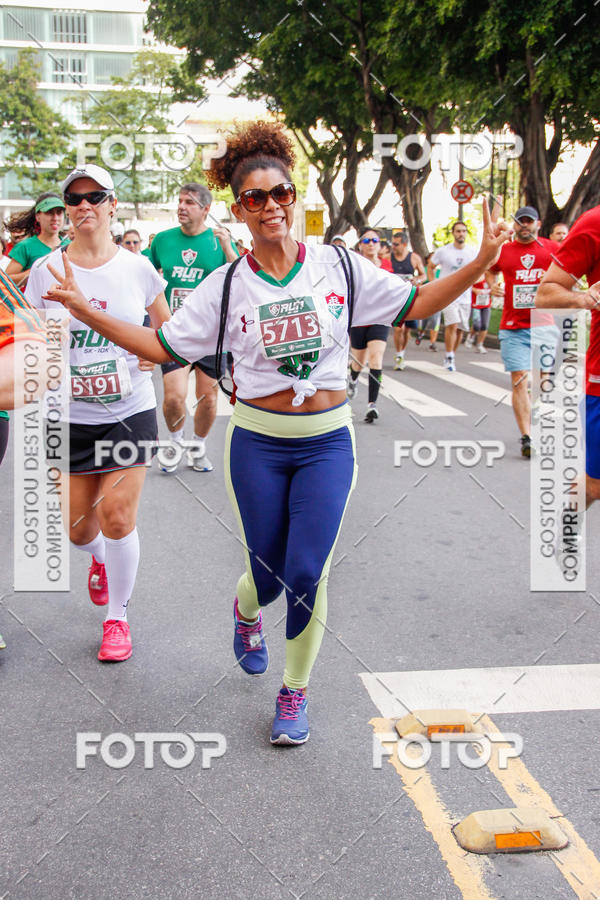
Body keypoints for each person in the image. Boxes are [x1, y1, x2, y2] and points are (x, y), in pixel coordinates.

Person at [43, 121, 510, 745]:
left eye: (281, 193)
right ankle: (245, 611)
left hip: (327, 442)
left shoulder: (339, 265)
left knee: (308, 569)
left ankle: (294, 692)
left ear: (294, 196)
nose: (270, 206)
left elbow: (416, 304)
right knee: (266, 575)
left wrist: (481, 261)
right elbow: (159, 346)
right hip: (259, 443)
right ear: (239, 208)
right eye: (256, 198)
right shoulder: (227, 284)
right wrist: (83, 311)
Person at [26, 163, 169, 663]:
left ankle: (117, 619)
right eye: (75, 198)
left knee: (116, 515)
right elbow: (28, 342)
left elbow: (166, 334)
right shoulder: (45, 271)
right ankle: (100, 562)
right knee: (79, 531)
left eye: (95, 197)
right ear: (65, 211)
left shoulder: (138, 268)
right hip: (66, 416)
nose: (84, 205)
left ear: (112, 204)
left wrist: (155, 353)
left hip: (129, 410)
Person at [148, 182, 238, 473]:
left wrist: (227, 247)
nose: (182, 207)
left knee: (208, 397)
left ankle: (197, 447)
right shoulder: (162, 240)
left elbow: (244, 276)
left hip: (212, 334)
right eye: (180, 201)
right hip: (176, 332)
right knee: (173, 396)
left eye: (189, 202)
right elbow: (144, 276)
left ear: (206, 209)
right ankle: (174, 444)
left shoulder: (219, 241)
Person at [537, 206, 600, 507]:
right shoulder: (594, 223)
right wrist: (586, 298)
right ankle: (564, 536)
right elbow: (546, 294)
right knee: (595, 486)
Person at [486, 206, 559, 458]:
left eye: (529, 222)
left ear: (538, 224)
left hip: (544, 324)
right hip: (513, 327)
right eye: (520, 222)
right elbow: (488, 267)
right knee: (519, 381)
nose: (524, 226)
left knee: (542, 382)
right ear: (514, 225)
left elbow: (570, 272)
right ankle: (527, 436)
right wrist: (493, 285)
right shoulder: (504, 251)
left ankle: (535, 409)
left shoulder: (551, 249)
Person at [347, 226, 393, 421]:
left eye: (375, 241)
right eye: (367, 241)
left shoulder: (388, 266)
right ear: (360, 245)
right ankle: (353, 380)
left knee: (376, 359)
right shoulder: (354, 264)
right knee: (358, 361)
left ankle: (371, 405)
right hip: (359, 318)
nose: (371, 244)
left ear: (380, 245)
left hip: (380, 318)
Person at [429, 222, 477, 372]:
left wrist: (477, 281)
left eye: (463, 231)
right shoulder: (444, 251)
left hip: (465, 295)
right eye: (458, 231)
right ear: (453, 233)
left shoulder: (472, 252)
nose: (460, 234)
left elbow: (482, 269)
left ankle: (451, 355)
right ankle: (449, 356)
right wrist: (434, 285)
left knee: (461, 329)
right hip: (448, 294)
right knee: (453, 324)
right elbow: (430, 266)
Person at [5, 193, 66, 289]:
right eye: (49, 212)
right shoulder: (25, 247)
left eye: (59, 212)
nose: (55, 218)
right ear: (38, 217)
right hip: (33, 303)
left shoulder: (70, 245)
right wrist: (32, 272)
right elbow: (5, 282)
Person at [389, 231, 425, 370]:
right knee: (399, 328)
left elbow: (423, 275)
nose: (393, 246)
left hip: (409, 297)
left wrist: (417, 280)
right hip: (394, 298)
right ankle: (398, 355)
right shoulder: (388, 257)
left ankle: (402, 353)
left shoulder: (414, 258)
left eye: (396, 244)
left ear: (404, 244)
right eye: (392, 243)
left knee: (407, 330)